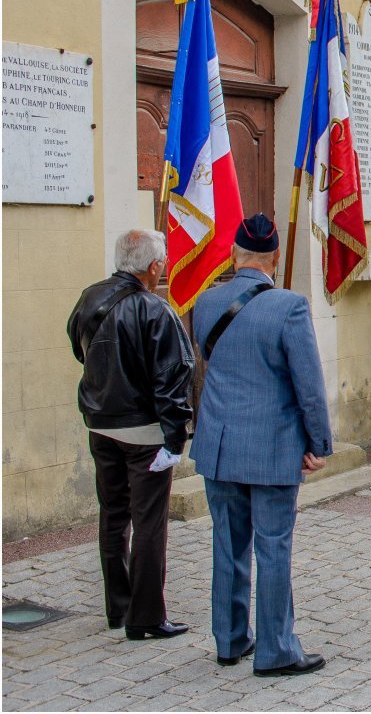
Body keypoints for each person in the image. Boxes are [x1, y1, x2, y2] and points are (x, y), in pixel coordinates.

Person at [190, 214, 333, 676]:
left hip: (219, 441)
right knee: (273, 547)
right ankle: (275, 649)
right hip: (272, 444)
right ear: (274, 257)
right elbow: (307, 383)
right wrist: (319, 443)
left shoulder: (206, 302)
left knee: (227, 544)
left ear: (234, 255)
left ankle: (230, 640)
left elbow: (212, 360)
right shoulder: (289, 305)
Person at [66, 229, 195, 641]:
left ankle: (117, 608)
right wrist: (176, 437)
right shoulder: (155, 310)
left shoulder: (90, 297)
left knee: (113, 513)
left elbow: (78, 347)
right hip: (142, 430)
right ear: (154, 266)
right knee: (148, 521)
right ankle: (145, 617)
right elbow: (174, 378)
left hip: (100, 422)